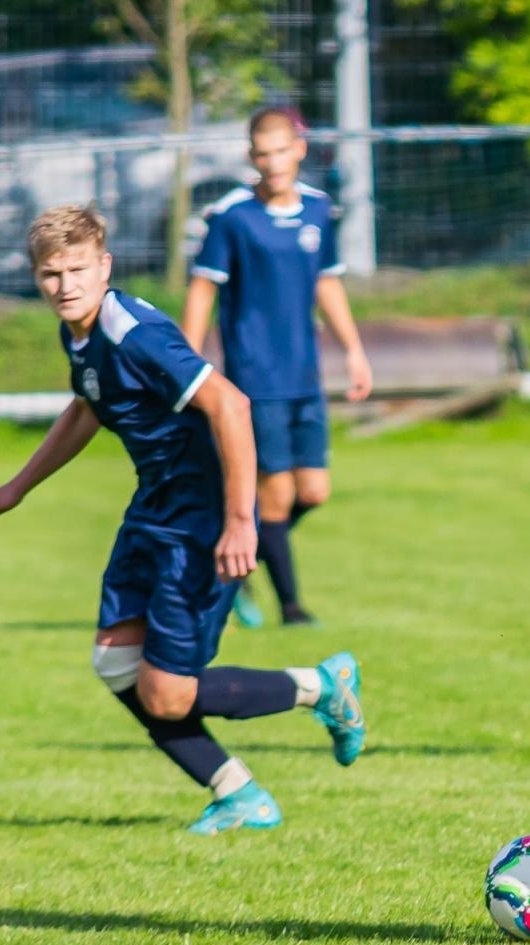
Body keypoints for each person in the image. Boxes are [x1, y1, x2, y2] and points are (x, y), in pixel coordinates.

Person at [0, 205, 368, 836]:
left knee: (168, 694)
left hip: (201, 520)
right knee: (117, 665)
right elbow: (89, 405)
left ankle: (320, 689)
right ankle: (239, 794)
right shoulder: (79, 330)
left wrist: (241, 521)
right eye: (50, 274)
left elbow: (230, 405)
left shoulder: (135, 332)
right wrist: (17, 487)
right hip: (155, 506)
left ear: (105, 266)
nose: (65, 285)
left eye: (76, 269)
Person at [182, 106, 373, 628]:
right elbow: (203, 288)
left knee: (314, 491)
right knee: (277, 494)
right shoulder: (232, 216)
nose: (273, 163)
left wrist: (353, 349)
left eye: (281, 152)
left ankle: (238, 555)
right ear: (251, 157)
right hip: (255, 378)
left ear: (299, 150)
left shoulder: (317, 210)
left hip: (304, 375)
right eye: (262, 154)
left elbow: (326, 282)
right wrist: (185, 361)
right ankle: (292, 607)